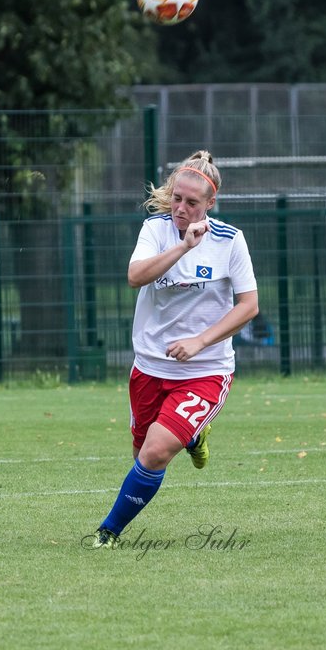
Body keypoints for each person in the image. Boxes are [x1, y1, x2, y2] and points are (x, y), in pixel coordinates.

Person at [91, 150, 258, 547]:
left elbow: (249, 305)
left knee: (154, 454)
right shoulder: (155, 230)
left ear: (210, 204)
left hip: (206, 370)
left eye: (192, 203)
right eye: (177, 198)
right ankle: (195, 437)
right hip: (149, 367)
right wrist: (183, 247)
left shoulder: (230, 241)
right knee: (140, 454)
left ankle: (108, 532)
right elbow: (134, 277)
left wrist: (200, 341)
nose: (181, 208)